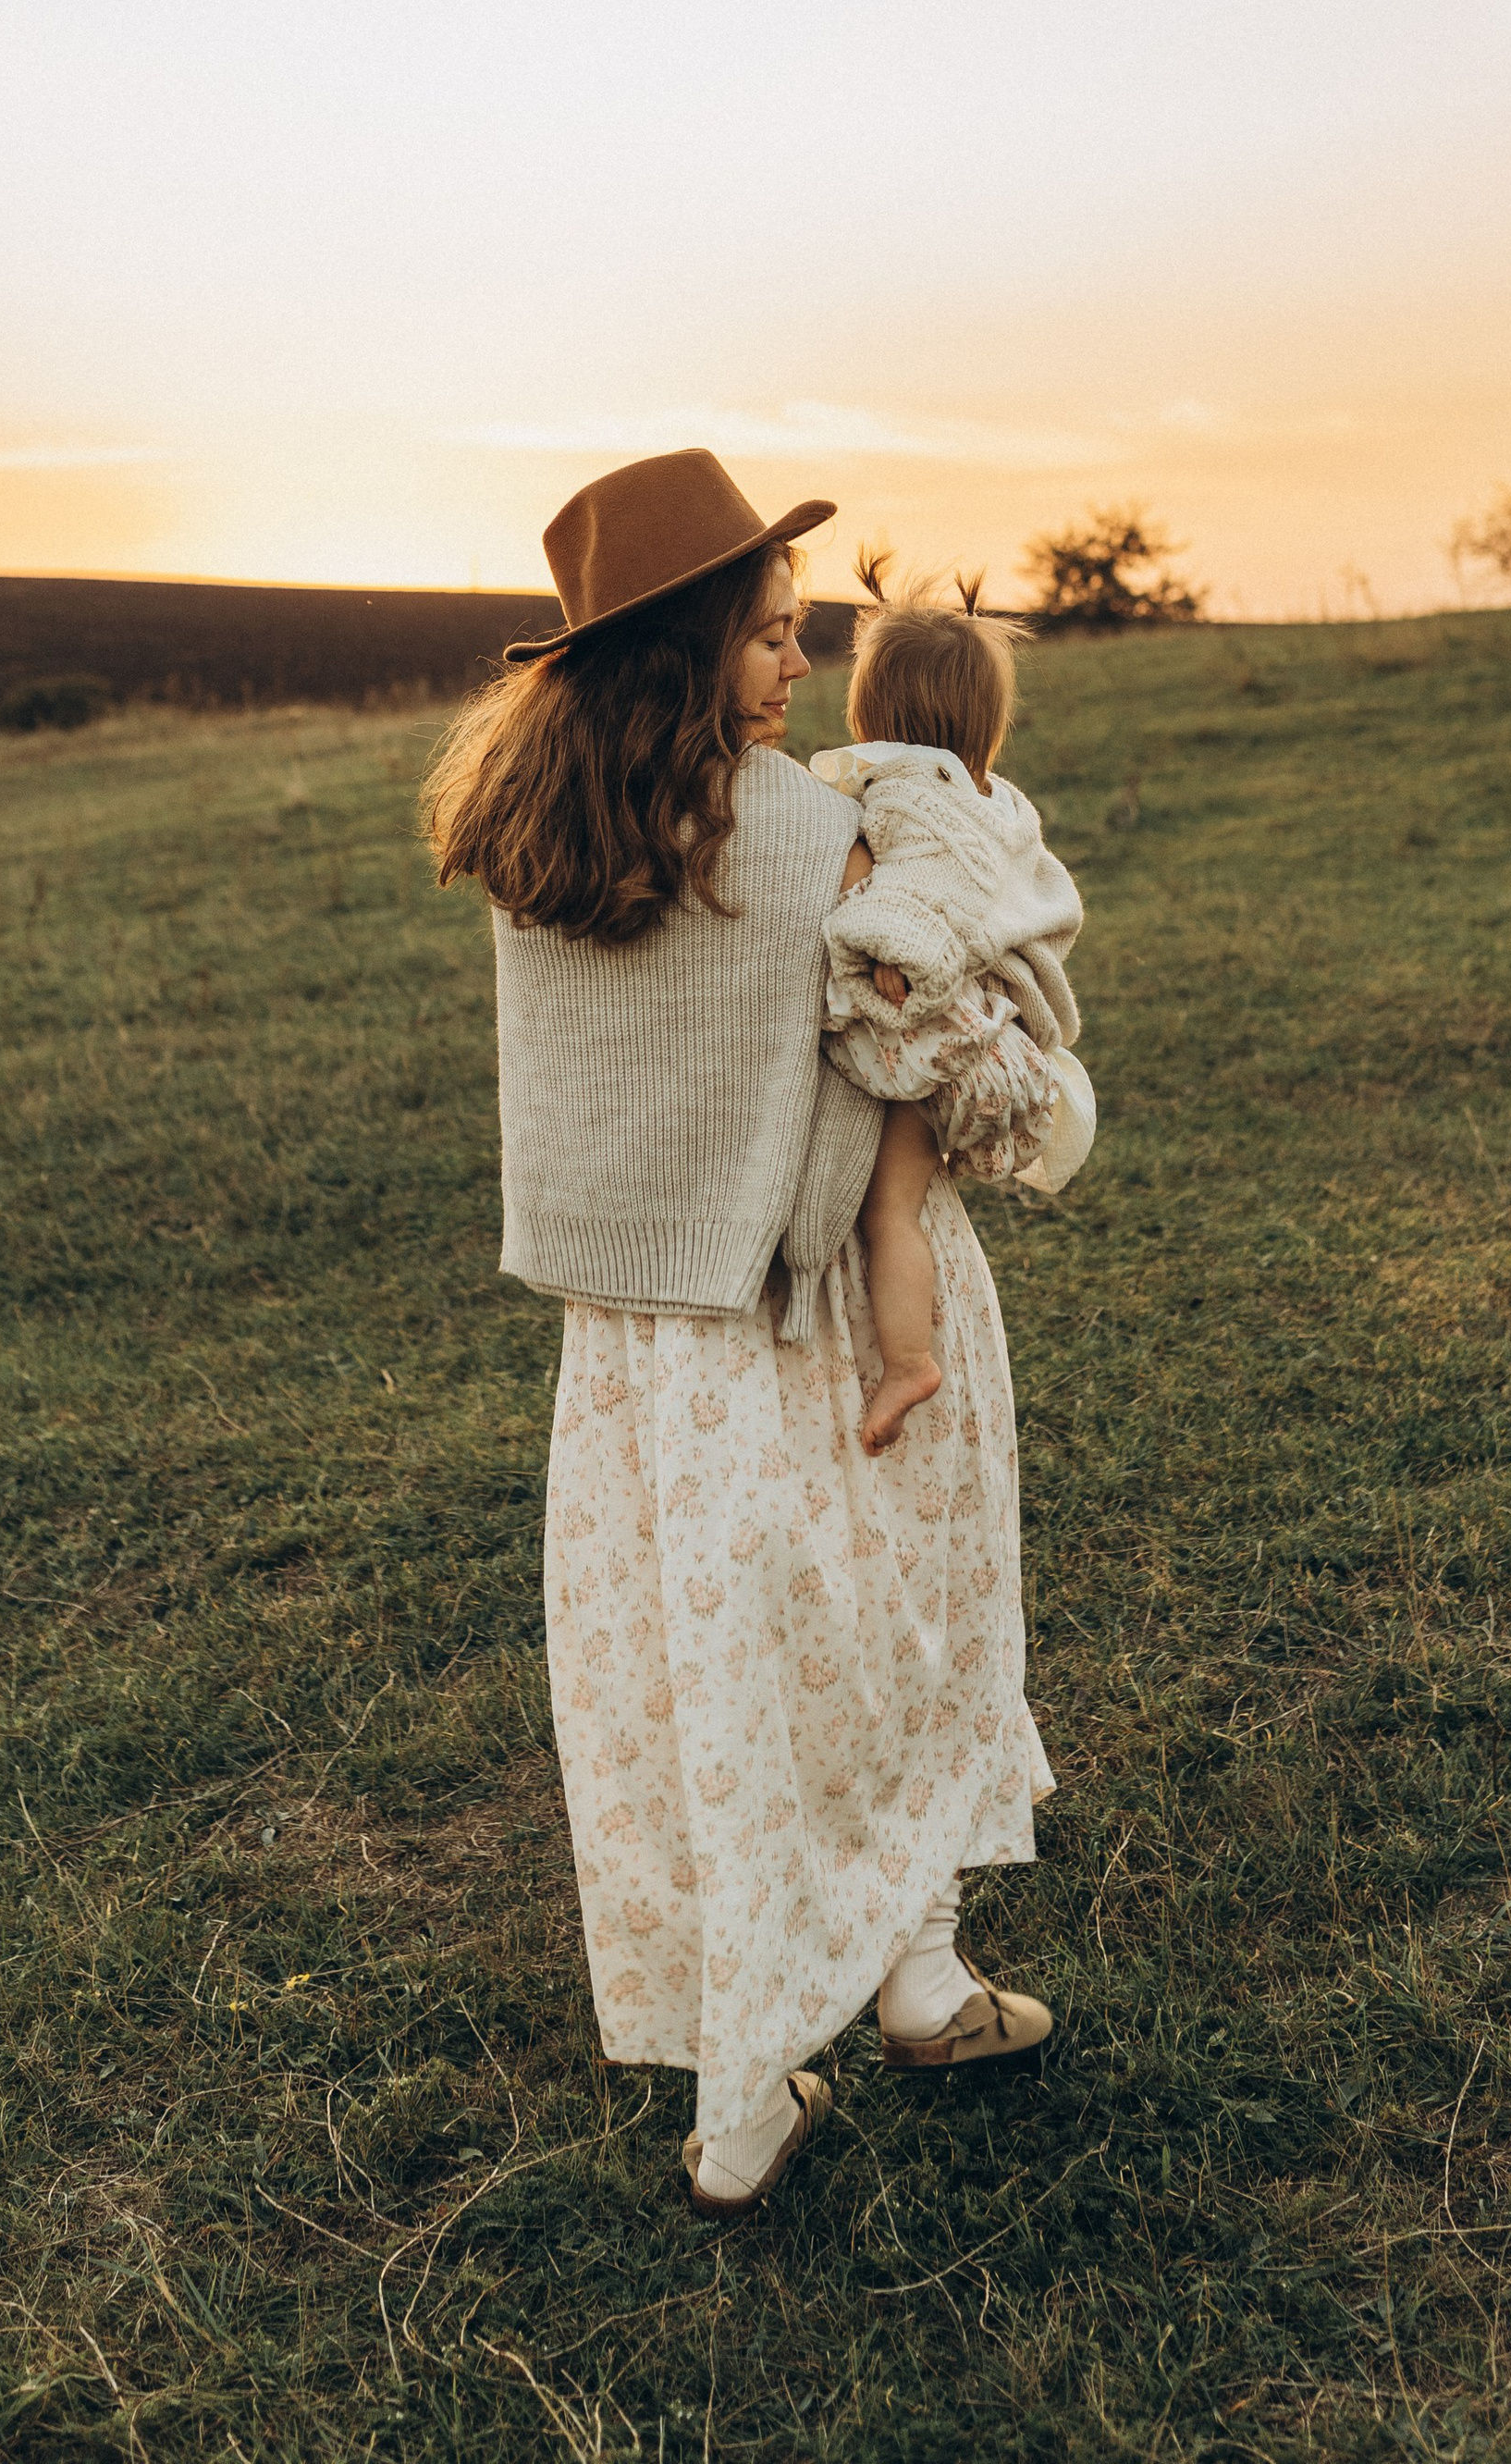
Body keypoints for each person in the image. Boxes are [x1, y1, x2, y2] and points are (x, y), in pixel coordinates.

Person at [426, 450, 1058, 2217]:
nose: (799, 669)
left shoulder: (531, 840)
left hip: (639, 1359)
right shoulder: (809, 832)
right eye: (770, 639)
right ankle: (910, 1979)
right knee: (904, 1643)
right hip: (831, 1310)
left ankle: (746, 2084)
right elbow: (909, 1053)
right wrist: (940, 1196)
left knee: (713, 1701)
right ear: (684, 647)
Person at [811, 558, 1099, 1452]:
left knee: (885, 1213)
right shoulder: (994, 800)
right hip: (995, 1033)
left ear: (876, 711)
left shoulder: (910, 789)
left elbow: (922, 887)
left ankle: (908, 1361)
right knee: (903, 1203)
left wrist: (893, 949)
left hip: (940, 1036)